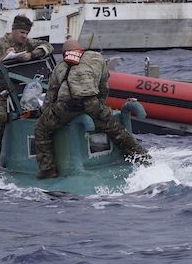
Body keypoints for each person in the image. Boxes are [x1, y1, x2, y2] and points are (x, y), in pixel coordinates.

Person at [33, 39, 150, 178]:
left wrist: (42, 112)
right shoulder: (97, 58)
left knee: (41, 129)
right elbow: (104, 85)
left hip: (66, 106)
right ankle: (142, 158)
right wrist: (101, 105)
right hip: (91, 102)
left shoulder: (60, 67)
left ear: (64, 53)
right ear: (80, 49)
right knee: (115, 129)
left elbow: (51, 96)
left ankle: (48, 170)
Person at [0, 14, 51, 176]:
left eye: (26, 33)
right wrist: (1, 60)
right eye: (21, 33)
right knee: (0, 115)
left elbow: (47, 46)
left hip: (21, 93)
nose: (24, 36)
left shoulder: (27, 43)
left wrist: (32, 55)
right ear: (13, 30)